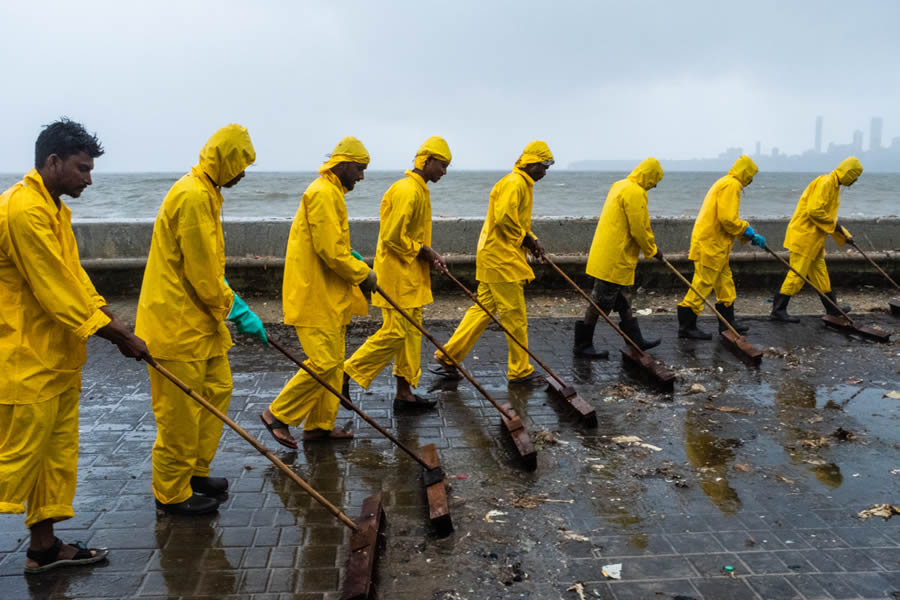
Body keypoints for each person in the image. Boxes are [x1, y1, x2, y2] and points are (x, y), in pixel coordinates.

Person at [0, 118, 149, 573]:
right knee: (14, 462)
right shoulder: (23, 211)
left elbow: (76, 281)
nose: (89, 178)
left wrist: (112, 318)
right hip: (24, 360)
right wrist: (121, 337)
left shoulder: (52, 210)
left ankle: (43, 550)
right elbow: (56, 293)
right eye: (82, 168)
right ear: (53, 162)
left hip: (56, 359)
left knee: (52, 461)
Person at [135, 124, 267, 516]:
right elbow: (203, 271)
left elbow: (208, 266)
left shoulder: (207, 193)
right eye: (241, 163)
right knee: (179, 413)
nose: (243, 173)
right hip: (175, 322)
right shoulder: (192, 196)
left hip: (199, 322)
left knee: (217, 390)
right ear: (225, 159)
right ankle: (171, 493)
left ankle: (193, 472)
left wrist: (226, 306)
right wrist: (237, 308)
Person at [261, 137, 375, 448]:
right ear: (343, 165)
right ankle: (277, 414)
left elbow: (336, 245)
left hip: (329, 293)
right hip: (313, 294)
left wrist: (355, 261)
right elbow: (330, 251)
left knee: (335, 364)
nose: (362, 177)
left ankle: (319, 427)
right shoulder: (323, 193)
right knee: (324, 363)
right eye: (359, 170)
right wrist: (363, 274)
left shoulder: (331, 192)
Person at [431, 141, 553, 385]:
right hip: (501, 259)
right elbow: (505, 218)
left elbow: (515, 222)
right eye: (544, 166)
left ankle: (449, 356)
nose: (545, 172)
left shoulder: (521, 184)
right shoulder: (515, 183)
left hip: (496, 255)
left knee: (483, 310)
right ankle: (520, 371)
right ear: (532, 164)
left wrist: (532, 240)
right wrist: (529, 240)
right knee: (514, 315)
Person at [343, 137, 451, 410]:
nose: (444, 172)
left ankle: (405, 394)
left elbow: (411, 237)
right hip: (396, 276)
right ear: (427, 161)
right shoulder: (407, 191)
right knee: (395, 333)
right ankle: (344, 373)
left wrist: (428, 256)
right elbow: (392, 236)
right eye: (442, 165)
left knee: (411, 336)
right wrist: (424, 251)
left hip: (411, 275)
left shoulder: (419, 190)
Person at [574, 157, 664, 358]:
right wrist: (652, 250)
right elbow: (639, 228)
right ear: (649, 176)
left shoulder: (620, 185)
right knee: (599, 303)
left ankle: (635, 341)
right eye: (655, 179)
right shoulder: (636, 192)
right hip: (615, 257)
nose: (656, 185)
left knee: (622, 300)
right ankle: (582, 345)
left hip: (606, 254)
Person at [676, 155, 766, 339]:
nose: (751, 180)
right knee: (702, 284)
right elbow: (728, 219)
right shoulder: (731, 185)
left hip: (717, 245)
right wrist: (747, 231)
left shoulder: (725, 182)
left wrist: (745, 234)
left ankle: (727, 322)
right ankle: (686, 327)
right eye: (751, 175)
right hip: (710, 244)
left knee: (725, 282)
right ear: (746, 172)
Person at [770, 157, 863, 322]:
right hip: (804, 237)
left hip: (814, 239)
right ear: (848, 173)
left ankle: (832, 308)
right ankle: (778, 310)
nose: (855, 181)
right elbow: (815, 211)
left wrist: (844, 235)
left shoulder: (833, 186)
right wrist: (840, 230)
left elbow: (827, 218)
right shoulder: (826, 183)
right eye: (854, 176)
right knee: (797, 275)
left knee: (821, 275)